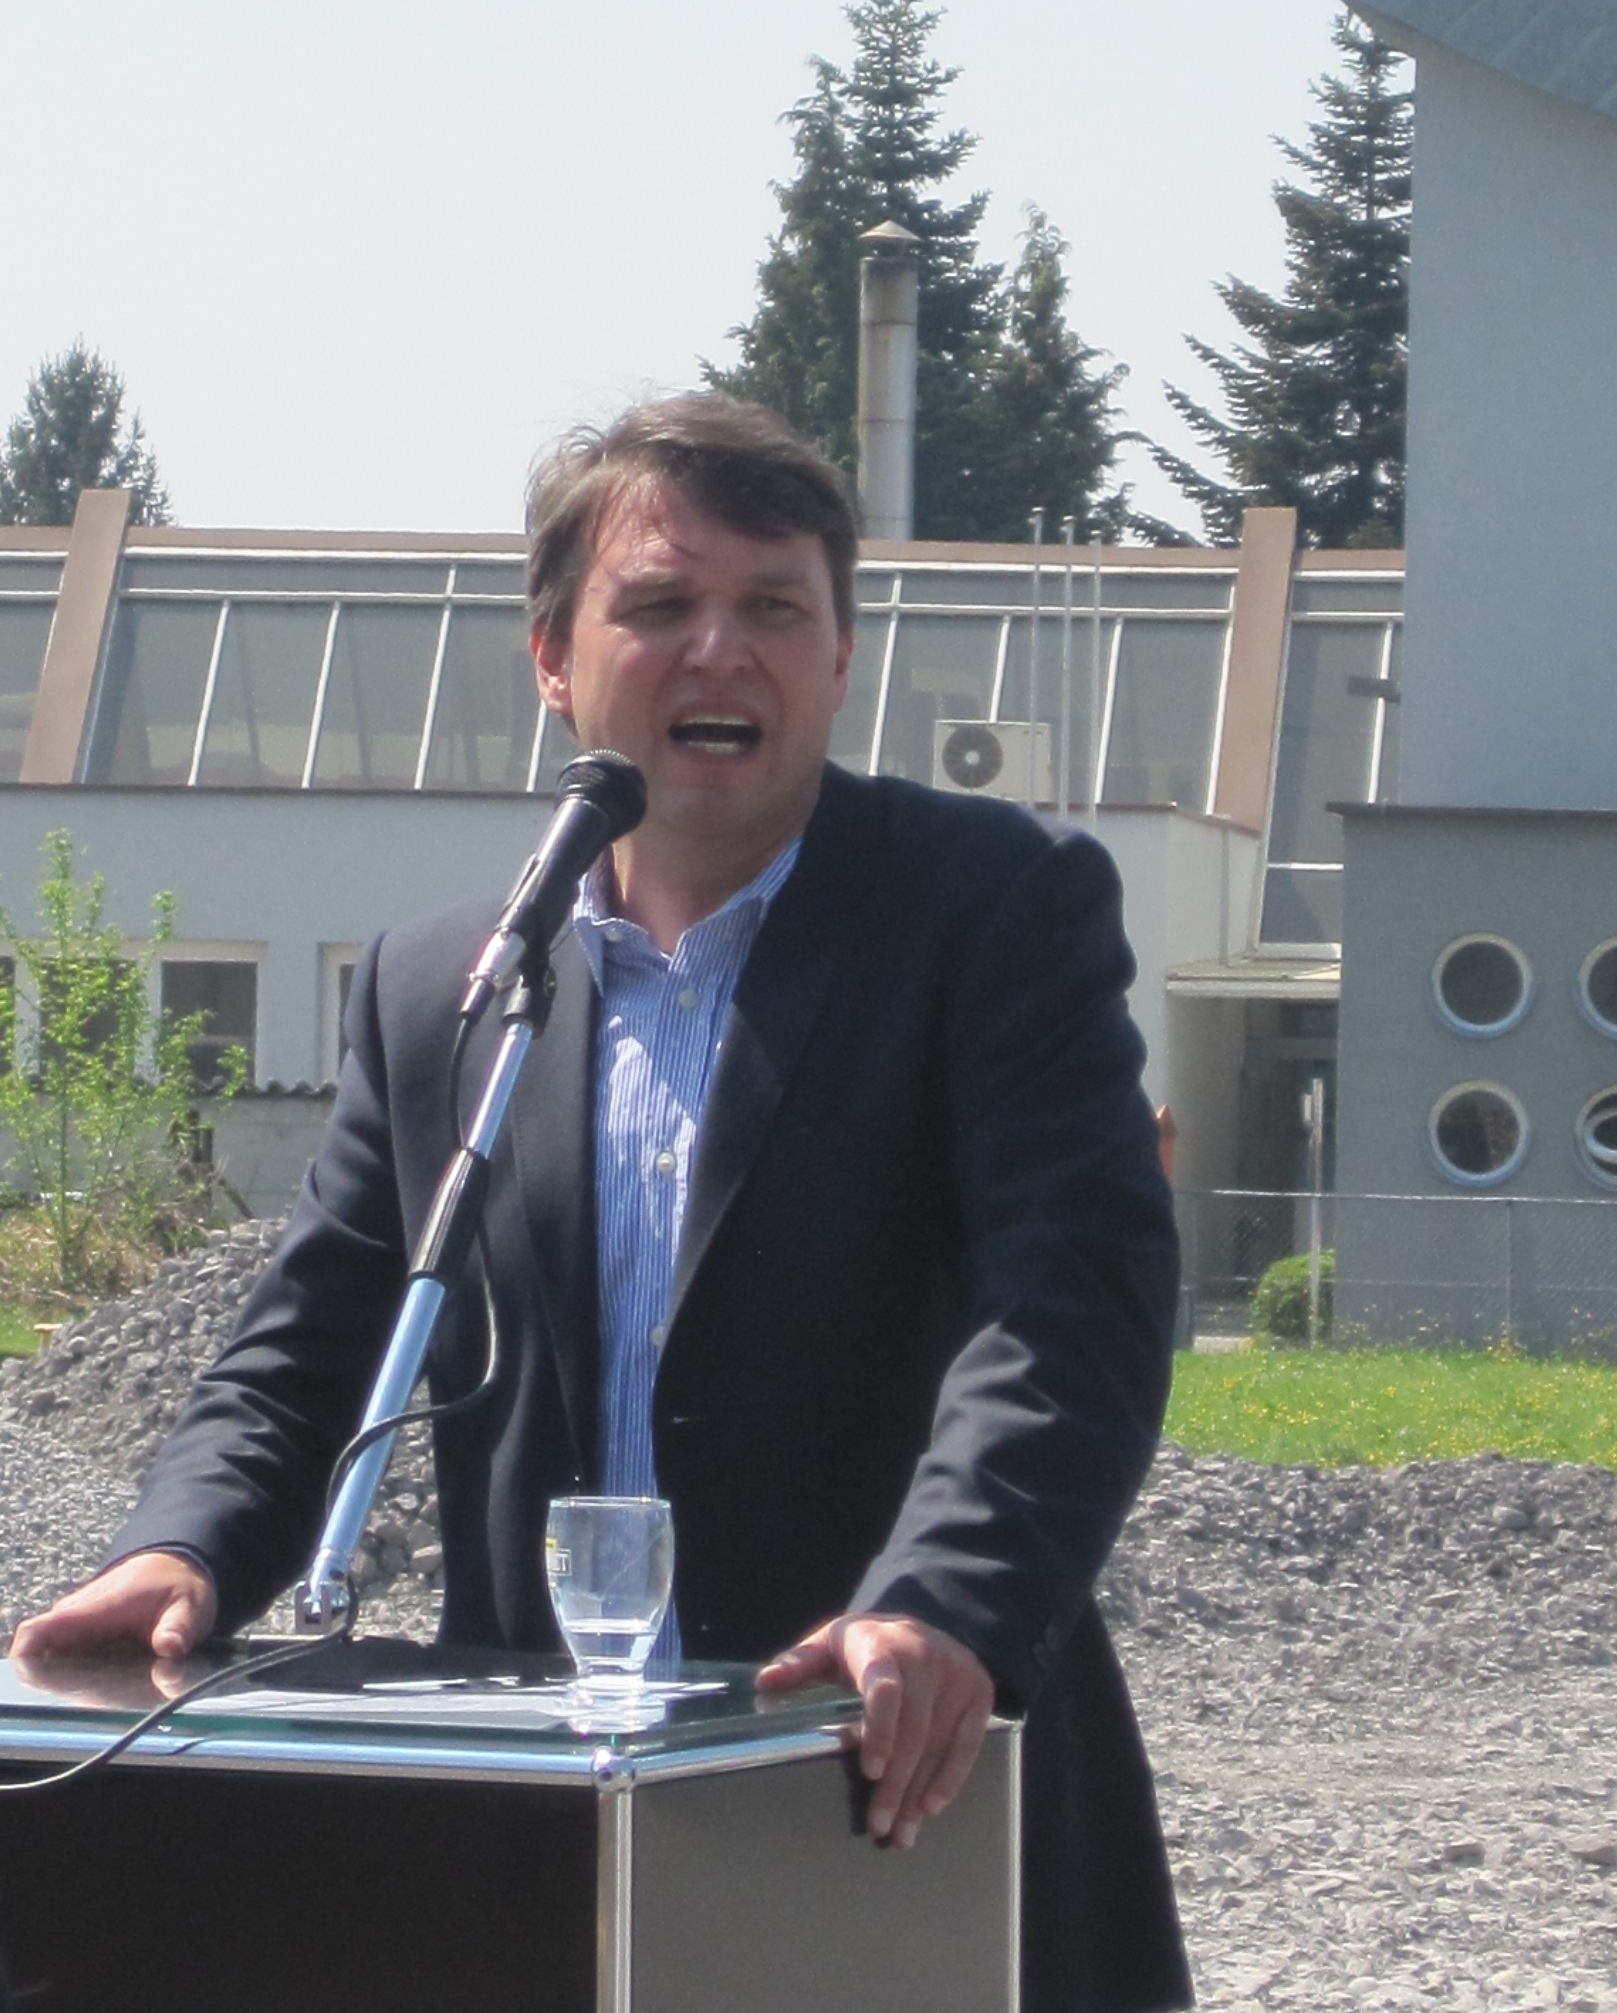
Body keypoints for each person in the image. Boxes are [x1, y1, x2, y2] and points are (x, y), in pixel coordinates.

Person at [12, 396, 1191, 2012]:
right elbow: (317, 1342)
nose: (722, 649)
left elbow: (1069, 1303)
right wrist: (184, 1548)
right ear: (553, 660)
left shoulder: (993, 909)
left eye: (774, 606)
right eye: (660, 604)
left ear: (842, 656)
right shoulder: (448, 986)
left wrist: (946, 1598)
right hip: (547, 1817)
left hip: (890, 1771)